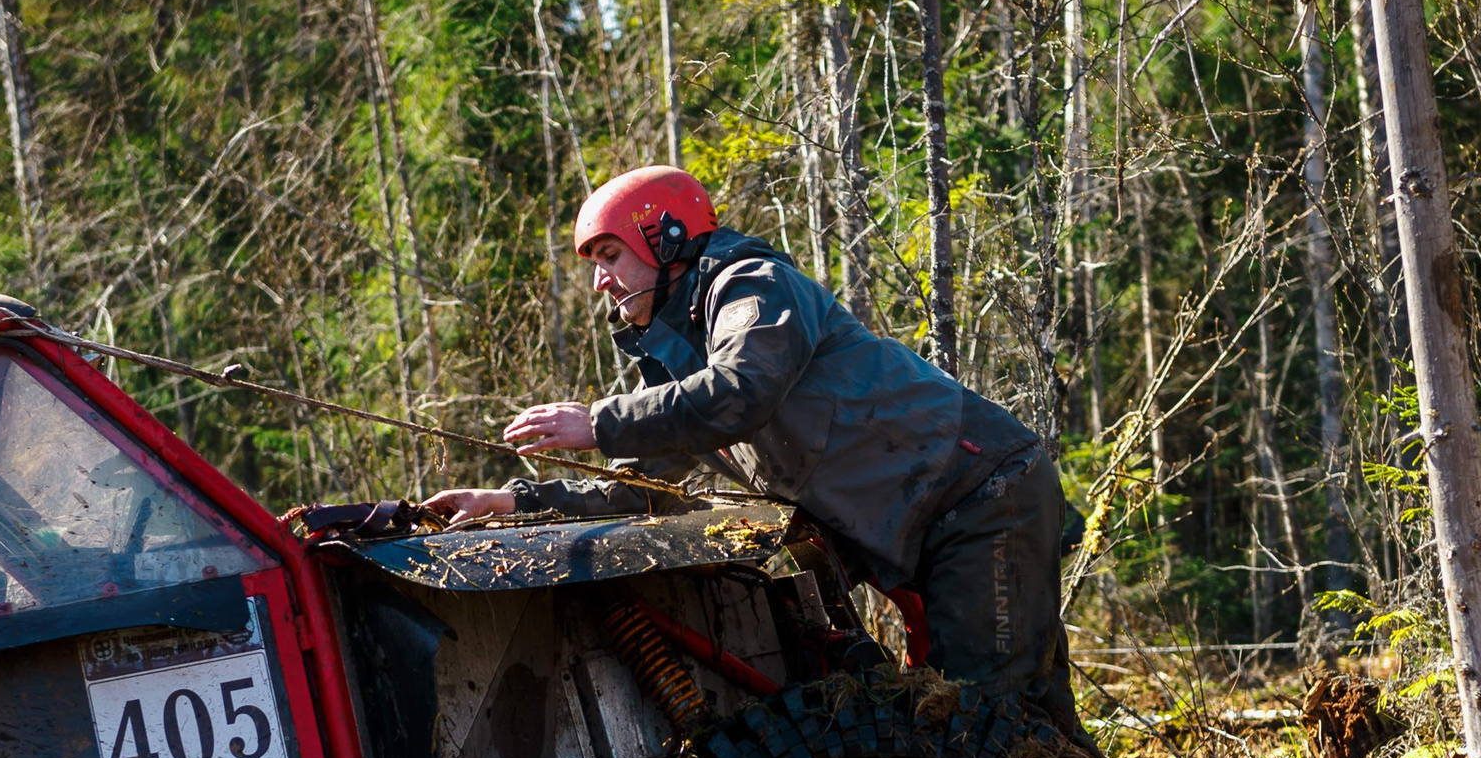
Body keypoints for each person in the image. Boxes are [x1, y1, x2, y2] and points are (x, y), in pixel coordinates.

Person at [424, 165, 1077, 727]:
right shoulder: (683, 359)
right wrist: (515, 501)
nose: (601, 282)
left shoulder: (750, 283)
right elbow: (641, 492)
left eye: (609, 256)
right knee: (1028, 727)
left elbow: (740, 390)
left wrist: (600, 422)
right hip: (934, 531)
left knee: (986, 727)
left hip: (982, 497)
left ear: (665, 236)